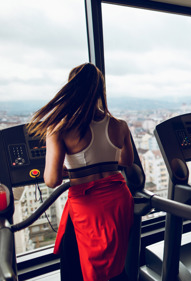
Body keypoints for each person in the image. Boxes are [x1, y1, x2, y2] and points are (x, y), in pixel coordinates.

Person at [28, 63, 134, 281]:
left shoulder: (60, 128)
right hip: (118, 200)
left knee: (78, 268)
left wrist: (73, 170)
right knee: (114, 264)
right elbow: (127, 161)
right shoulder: (120, 125)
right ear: (100, 90)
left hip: (88, 206)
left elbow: (51, 179)